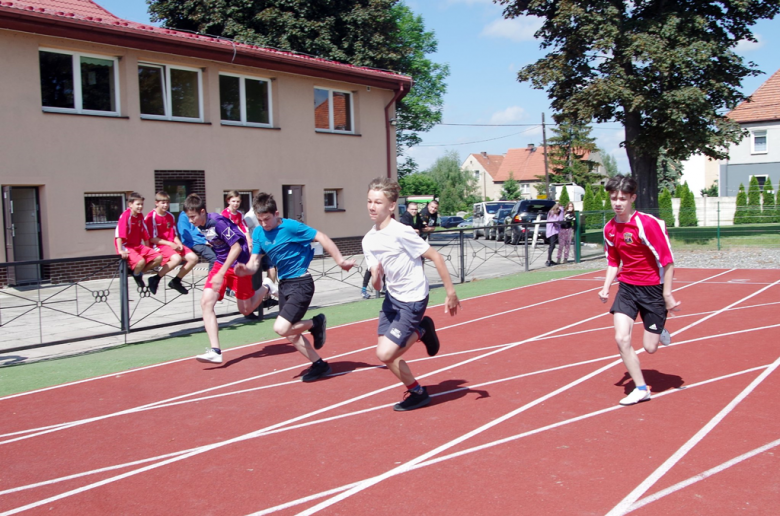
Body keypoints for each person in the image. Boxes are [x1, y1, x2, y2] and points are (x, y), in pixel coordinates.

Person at [363, 178, 460, 411]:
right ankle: (418, 392)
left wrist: (451, 292)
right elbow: (377, 287)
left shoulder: (402, 232)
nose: (372, 206)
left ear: (392, 206)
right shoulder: (368, 240)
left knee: (385, 353)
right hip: (391, 298)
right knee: (387, 356)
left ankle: (422, 329)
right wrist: (376, 275)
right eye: (369, 201)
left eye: (378, 202)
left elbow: (436, 257)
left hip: (413, 298)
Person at [236, 193, 355, 382]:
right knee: (291, 333)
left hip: (301, 283)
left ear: (276, 213)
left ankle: (315, 323)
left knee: (282, 328)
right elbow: (254, 263)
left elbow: (321, 237)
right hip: (284, 285)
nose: (264, 224)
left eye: (267, 219)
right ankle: (319, 365)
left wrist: (340, 261)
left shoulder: (290, 226)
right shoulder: (258, 232)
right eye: (260, 220)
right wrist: (245, 271)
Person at [598, 175, 681, 406]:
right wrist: (605, 287)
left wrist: (667, 295)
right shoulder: (610, 228)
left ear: (632, 198)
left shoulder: (646, 224)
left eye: (623, 198)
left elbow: (667, 261)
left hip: (653, 290)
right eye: (614, 198)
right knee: (621, 338)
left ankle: (659, 326)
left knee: (650, 348)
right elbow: (613, 261)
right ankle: (641, 388)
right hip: (627, 289)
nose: (617, 203)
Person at [183, 194, 272, 364]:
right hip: (221, 263)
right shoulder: (200, 225)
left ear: (202, 212)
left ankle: (266, 286)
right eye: (188, 217)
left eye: (193, 216)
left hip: (238, 264)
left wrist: (221, 273)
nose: (191, 220)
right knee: (206, 302)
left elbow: (236, 247)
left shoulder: (218, 222)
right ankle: (215, 351)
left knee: (245, 310)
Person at [144, 192, 199, 295]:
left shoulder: (170, 216)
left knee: (193, 258)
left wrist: (178, 244)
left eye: (167, 203)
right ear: (156, 203)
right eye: (163, 203)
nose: (165, 205)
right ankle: (155, 278)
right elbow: (151, 238)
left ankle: (176, 281)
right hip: (159, 244)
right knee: (177, 259)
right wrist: (170, 244)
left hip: (171, 243)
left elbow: (173, 234)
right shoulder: (151, 217)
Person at [115, 192, 163, 289]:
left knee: (159, 257)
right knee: (140, 262)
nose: (140, 206)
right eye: (138, 204)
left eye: (142, 204)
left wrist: (149, 249)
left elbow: (145, 234)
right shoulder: (126, 216)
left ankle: (137, 272)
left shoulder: (140, 216)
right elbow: (119, 234)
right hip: (127, 246)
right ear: (130, 205)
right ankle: (137, 275)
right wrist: (120, 250)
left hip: (138, 245)